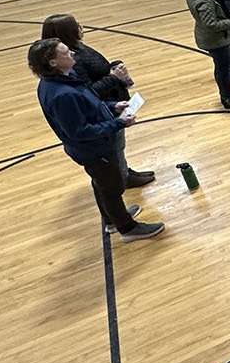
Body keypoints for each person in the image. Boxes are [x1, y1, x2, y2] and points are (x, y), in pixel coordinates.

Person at [29, 38, 164, 241]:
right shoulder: (62, 94)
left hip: (95, 147)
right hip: (94, 149)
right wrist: (119, 123)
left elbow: (89, 105)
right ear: (53, 62)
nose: (73, 53)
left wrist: (112, 106)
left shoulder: (65, 78)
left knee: (102, 184)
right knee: (111, 187)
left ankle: (112, 219)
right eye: (65, 53)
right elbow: (80, 131)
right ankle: (127, 229)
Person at [40, 14, 153, 186]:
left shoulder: (75, 50)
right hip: (101, 114)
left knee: (118, 149)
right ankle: (122, 178)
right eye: (76, 25)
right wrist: (114, 77)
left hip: (108, 106)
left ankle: (123, 172)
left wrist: (112, 68)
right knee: (114, 150)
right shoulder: (71, 62)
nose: (81, 26)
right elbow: (89, 91)